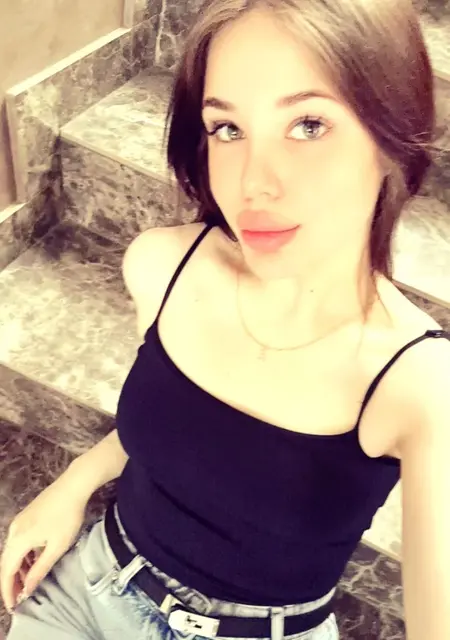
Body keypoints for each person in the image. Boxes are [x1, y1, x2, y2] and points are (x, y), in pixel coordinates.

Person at [1, 0, 450, 638]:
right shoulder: (163, 266)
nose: (252, 184)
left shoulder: (420, 386)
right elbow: (180, 425)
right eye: (228, 129)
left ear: (390, 139)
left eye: (309, 125)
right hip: (90, 590)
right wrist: (72, 484)